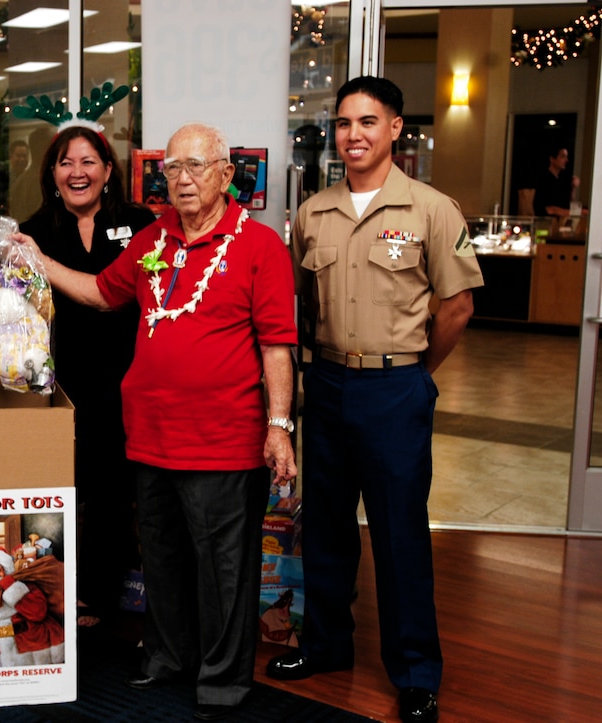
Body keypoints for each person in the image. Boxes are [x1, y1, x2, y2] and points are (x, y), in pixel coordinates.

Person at [15, 122, 298, 721]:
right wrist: (38, 260)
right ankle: (169, 654)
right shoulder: (152, 237)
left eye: (197, 166)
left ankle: (222, 677)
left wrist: (279, 424)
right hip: (148, 432)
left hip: (222, 436)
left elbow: (277, 345)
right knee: (164, 557)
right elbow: (98, 293)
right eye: (173, 168)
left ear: (227, 173)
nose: (184, 179)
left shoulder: (259, 245)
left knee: (223, 566)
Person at [267, 76, 484, 723]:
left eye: (367, 121)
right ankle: (327, 644)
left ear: (395, 128)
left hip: (395, 388)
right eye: (342, 123)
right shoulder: (313, 213)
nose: (352, 134)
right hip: (327, 386)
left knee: (399, 536)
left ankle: (416, 671)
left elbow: (458, 306)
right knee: (326, 528)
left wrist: (413, 373)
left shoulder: (430, 208)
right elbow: (298, 310)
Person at [19, 124, 156, 629]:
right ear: (52, 173)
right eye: (65, 163)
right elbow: (14, 313)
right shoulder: (33, 231)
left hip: (134, 375)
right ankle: (67, 594)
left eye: (88, 161)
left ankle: (120, 595)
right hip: (64, 380)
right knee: (70, 489)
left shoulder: (141, 224)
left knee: (125, 490)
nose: (77, 172)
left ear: (107, 170)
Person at [0, 545, 66, 667]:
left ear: (7, 570)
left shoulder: (24, 586)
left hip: (33, 648)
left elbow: (38, 613)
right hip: (4, 653)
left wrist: (11, 588)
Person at [532, 144, 579, 218]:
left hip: (563, 221)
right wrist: (572, 213)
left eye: (566, 157)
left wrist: (573, 188)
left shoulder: (563, 179)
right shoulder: (543, 178)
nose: (566, 160)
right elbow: (549, 208)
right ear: (552, 159)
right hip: (547, 222)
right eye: (563, 157)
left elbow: (569, 204)